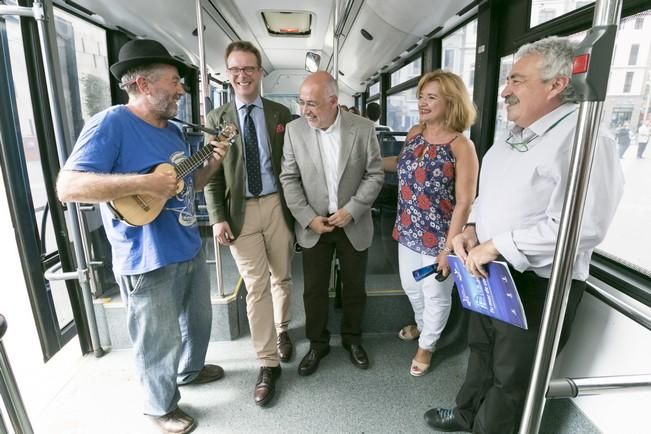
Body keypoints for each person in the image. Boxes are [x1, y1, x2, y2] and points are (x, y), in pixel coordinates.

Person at [424, 36, 624, 434]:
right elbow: (488, 198)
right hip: (488, 268)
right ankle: (466, 416)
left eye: (517, 81)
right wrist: (470, 230)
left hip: (537, 282)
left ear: (556, 85)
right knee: (481, 351)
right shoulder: (513, 137)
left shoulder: (586, 141)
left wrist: (497, 245)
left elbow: (583, 226)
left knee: (512, 374)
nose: (504, 91)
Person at [56, 39, 228, 434]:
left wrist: (214, 161)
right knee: (157, 339)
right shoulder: (111, 123)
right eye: (174, 81)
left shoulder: (173, 133)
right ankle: (160, 407)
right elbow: (69, 186)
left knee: (197, 323)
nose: (181, 90)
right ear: (144, 84)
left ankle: (188, 371)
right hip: (146, 256)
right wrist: (144, 182)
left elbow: (190, 183)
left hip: (186, 245)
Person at [203, 41, 294, 407]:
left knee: (283, 277)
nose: (242, 75)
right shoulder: (216, 120)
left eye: (249, 68)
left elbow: (292, 165)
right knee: (256, 286)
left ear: (260, 72)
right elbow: (211, 176)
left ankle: (284, 331)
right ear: (228, 74)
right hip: (239, 211)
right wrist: (216, 218)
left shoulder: (280, 113)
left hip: (276, 205)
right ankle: (267, 362)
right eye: (235, 69)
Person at [279, 71, 384, 376]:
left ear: (334, 101)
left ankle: (352, 339)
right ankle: (317, 343)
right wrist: (308, 218)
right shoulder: (294, 131)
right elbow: (289, 179)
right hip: (314, 225)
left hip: (353, 222)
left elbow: (375, 174)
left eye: (311, 103)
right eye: (301, 103)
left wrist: (353, 209)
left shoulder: (363, 129)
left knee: (354, 288)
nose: (305, 110)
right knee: (312, 290)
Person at [384, 70, 478, 377]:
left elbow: (465, 201)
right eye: (421, 97)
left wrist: (449, 248)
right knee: (411, 288)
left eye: (431, 97)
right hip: (408, 229)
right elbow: (399, 165)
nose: (422, 103)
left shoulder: (461, 145)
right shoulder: (414, 132)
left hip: (439, 236)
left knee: (435, 294)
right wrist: (362, 161)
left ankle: (427, 345)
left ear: (450, 101)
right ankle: (425, 327)